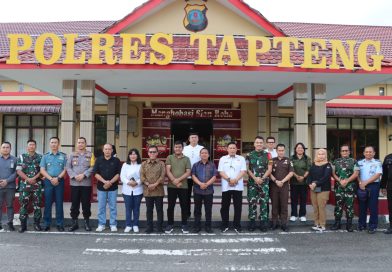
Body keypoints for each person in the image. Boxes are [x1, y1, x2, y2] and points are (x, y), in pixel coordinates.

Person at [65, 137, 95, 232]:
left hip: (86, 183)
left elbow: (93, 167)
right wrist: (74, 176)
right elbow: (68, 167)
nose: (80, 144)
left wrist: (84, 175)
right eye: (79, 142)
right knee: (74, 204)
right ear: (76, 144)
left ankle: (87, 222)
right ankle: (74, 223)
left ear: (85, 144)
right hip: (74, 184)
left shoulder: (91, 155)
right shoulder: (71, 155)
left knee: (86, 204)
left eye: (82, 142)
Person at [218, 141, 247, 233]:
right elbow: (221, 171)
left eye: (234, 148)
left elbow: (243, 171)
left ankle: (237, 225)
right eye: (230, 148)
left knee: (238, 207)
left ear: (236, 149)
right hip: (226, 186)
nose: (232, 149)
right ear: (227, 149)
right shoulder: (222, 159)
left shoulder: (241, 158)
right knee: (224, 207)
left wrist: (235, 180)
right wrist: (229, 180)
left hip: (237, 187)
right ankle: (224, 224)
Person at [40, 137, 67, 232]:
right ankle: (47, 223)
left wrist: (58, 178)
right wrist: (51, 178)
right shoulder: (45, 156)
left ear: (58, 144)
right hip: (48, 181)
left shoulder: (63, 156)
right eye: (52, 142)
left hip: (59, 181)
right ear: (49, 144)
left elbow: (65, 169)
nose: (54, 144)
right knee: (48, 203)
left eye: (55, 142)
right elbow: (42, 170)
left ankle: (60, 224)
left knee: (59, 203)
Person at [245, 136, 272, 232]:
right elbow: (247, 169)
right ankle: (252, 222)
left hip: (264, 183)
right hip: (252, 183)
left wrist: (262, 178)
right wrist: (255, 178)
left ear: (263, 144)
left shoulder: (268, 155)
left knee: (264, 202)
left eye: (261, 142)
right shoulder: (248, 155)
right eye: (257, 142)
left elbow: (269, 169)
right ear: (254, 144)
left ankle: (263, 223)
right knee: (252, 202)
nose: (259, 144)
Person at [16, 139, 43, 233]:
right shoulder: (21, 157)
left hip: (36, 184)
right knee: (23, 205)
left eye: (33, 145)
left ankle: (37, 224)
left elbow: (42, 170)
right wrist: (28, 179)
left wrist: (34, 178)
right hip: (24, 185)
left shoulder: (40, 157)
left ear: (35, 146)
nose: (31, 146)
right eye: (30, 145)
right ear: (27, 147)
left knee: (37, 205)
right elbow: (18, 170)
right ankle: (23, 225)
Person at [331, 145, 359, 232]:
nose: (344, 152)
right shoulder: (336, 161)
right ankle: (337, 223)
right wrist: (340, 180)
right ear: (340, 152)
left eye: (346, 151)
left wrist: (346, 181)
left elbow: (356, 173)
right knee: (338, 205)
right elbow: (333, 173)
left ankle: (349, 224)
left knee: (349, 206)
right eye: (343, 151)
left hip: (350, 187)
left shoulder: (354, 161)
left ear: (349, 152)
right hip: (339, 187)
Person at [93, 143, 121, 232]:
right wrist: (105, 182)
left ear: (112, 150)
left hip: (113, 188)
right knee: (101, 207)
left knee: (113, 207)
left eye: (109, 149)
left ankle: (113, 224)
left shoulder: (116, 160)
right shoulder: (98, 160)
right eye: (106, 149)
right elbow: (95, 173)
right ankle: (101, 224)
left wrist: (110, 182)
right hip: (101, 187)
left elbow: (118, 174)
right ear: (103, 150)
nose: (107, 151)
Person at [165, 141, 191, 234]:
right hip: (171, 186)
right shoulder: (170, 157)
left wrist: (178, 180)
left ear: (182, 148)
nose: (177, 149)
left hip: (183, 186)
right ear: (173, 148)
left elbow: (188, 172)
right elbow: (168, 170)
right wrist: (174, 181)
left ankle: (184, 225)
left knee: (184, 206)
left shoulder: (187, 159)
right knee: (170, 206)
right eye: (176, 147)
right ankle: (170, 224)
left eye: (179, 147)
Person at [140, 145, 166, 234]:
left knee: (159, 210)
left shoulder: (161, 163)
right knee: (149, 210)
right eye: (150, 152)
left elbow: (162, 176)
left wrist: (155, 184)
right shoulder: (144, 164)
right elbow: (142, 176)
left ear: (157, 153)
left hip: (159, 191)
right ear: (148, 153)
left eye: (154, 152)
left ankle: (159, 227)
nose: (152, 153)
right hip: (148, 191)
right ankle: (149, 227)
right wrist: (148, 184)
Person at [357, 146, 382, 234]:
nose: (368, 153)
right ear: (364, 153)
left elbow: (378, 174)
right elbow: (357, 174)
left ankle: (372, 226)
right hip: (362, 185)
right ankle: (362, 224)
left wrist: (365, 183)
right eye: (366, 152)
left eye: (370, 152)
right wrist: (360, 183)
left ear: (374, 153)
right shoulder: (359, 163)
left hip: (373, 186)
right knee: (362, 206)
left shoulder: (377, 162)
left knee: (373, 206)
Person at [191, 148, 217, 233]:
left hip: (209, 191)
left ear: (208, 155)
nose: (204, 154)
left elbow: (214, 176)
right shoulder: (195, 165)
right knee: (197, 210)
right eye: (202, 153)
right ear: (200, 155)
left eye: (206, 153)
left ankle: (208, 227)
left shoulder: (212, 165)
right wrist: (200, 184)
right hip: (197, 190)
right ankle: (196, 226)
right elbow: (193, 175)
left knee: (208, 210)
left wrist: (206, 184)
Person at [269, 144, 294, 231]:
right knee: (274, 205)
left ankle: (284, 224)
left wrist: (282, 181)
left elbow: (291, 173)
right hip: (274, 186)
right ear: (276, 151)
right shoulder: (271, 160)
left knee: (284, 205)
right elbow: (269, 172)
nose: (281, 152)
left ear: (284, 150)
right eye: (279, 150)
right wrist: (276, 181)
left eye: (282, 150)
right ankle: (274, 223)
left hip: (284, 186)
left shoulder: (288, 160)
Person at [307, 148, 332, 232]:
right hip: (313, 188)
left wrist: (315, 184)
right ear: (316, 155)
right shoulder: (313, 164)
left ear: (325, 155)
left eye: (323, 154)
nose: (321, 156)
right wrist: (310, 183)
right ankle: (316, 223)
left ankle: (322, 225)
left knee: (321, 207)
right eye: (319, 154)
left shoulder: (328, 165)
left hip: (324, 189)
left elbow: (326, 177)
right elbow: (309, 175)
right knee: (315, 207)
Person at [120, 148, 143, 233]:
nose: (133, 156)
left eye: (135, 154)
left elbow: (142, 177)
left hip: (138, 190)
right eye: (131, 154)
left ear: (137, 155)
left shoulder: (141, 165)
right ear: (129, 156)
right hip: (127, 190)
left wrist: (137, 183)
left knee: (136, 208)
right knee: (128, 208)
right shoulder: (125, 165)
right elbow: (122, 177)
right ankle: (128, 225)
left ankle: (136, 224)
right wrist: (129, 182)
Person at [183, 133, 204, 219]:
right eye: (192, 137)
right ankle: (187, 213)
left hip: (198, 176)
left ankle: (197, 214)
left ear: (198, 139)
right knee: (186, 196)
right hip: (187, 176)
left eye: (195, 137)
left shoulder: (201, 148)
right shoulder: (184, 148)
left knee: (198, 197)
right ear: (189, 139)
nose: (194, 139)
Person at [290, 142, 311, 223]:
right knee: (293, 199)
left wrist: (303, 177)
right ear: (295, 149)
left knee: (303, 199)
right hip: (294, 182)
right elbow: (291, 169)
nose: (300, 149)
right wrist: (296, 176)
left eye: (301, 148)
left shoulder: (307, 158)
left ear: (303, 150)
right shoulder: (291, 158)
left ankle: (302, 215)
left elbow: (309, 169)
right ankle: (294, 215)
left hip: (304, 182)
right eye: (298, 148)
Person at [0, 142, 17, 232]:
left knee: (10, 205)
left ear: (10, 149)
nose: (5, 149)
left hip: (10, 186)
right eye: (3, 147)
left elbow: (16, 173)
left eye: (7, 147)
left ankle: (10, 223)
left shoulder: (15, 159)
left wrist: (7, 181)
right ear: (0, 148)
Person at [381, 152, 392, 234]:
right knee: (391, 207)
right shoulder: (388, 158)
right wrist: (383, 186)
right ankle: (391, 227)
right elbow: (384, 173)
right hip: (390, 187)